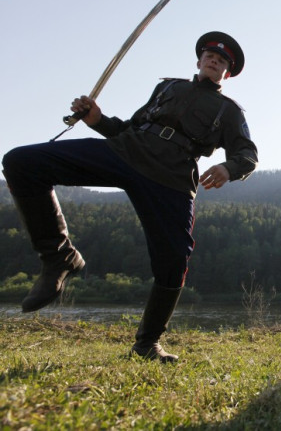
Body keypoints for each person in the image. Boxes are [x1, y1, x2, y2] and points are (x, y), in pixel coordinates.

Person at [2, 32, 258, 363]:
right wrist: (97, 120)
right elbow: (131, 128)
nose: (214, 60)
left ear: (228, 72)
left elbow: (248, 154)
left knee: (174, 260)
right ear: (198, 61)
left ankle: (147, 343)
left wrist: (229, 168)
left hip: (171, 178)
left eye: (221, 60)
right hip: (127, 152)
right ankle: (58, 256)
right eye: (209, 55)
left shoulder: (229, 111)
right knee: (21, 162)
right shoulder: (167, 88)